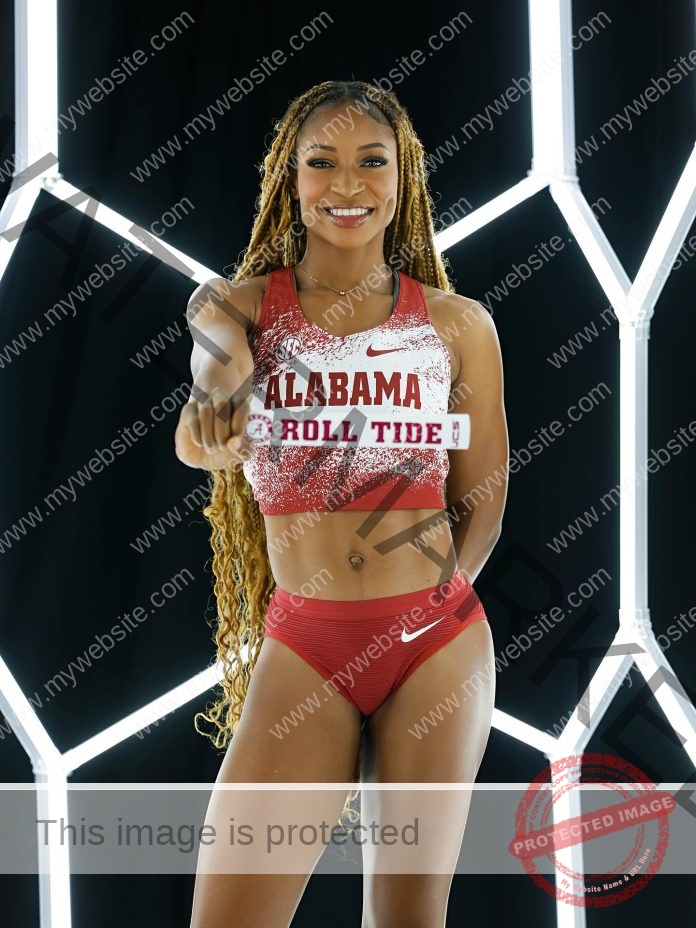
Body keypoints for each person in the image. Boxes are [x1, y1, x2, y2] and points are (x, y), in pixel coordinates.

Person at [177, 79, 508, 928]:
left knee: (407, 917)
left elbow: (485, 494)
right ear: (291, 180)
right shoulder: (239, 305)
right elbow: (213, 371)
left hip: (436, 645)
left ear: (404, 179)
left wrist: (434, 604)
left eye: (372, 162)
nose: (348, 184)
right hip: (308, 642)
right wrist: (218, 404)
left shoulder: (458, 325)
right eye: (322, 162)